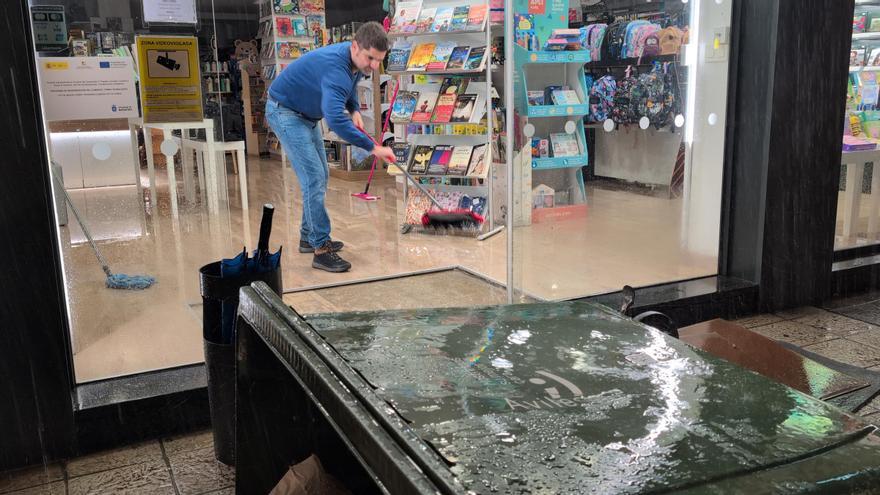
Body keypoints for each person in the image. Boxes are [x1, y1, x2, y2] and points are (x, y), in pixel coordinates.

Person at [266, 22, 396, 273]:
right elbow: (335, 119)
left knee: (321, 175)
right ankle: (321, 249)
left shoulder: (354, 60)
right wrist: (373, 148)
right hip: (285, 112)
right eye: (371, 58)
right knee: (314, 178)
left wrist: (355, 108)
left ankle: (308, 236)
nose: (374, 66)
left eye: (379, 60)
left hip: (306, 115)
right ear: (355, 46)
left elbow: (351, 83)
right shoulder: (335, 67)